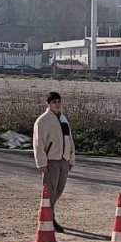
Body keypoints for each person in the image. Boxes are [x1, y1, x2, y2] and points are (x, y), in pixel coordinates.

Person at [33, 91, 75, 233]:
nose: (57, 104)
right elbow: (38, 144)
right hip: (51, 161)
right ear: (48, 104)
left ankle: (45, 212)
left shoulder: (63, 119)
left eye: (58, 102)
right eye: (54, 102)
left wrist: (70, 158)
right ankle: (49, 218)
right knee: (50, 191)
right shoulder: (42, 121)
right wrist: (42, 163)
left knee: (59, 189)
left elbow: (69, 139)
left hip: (63, 160)